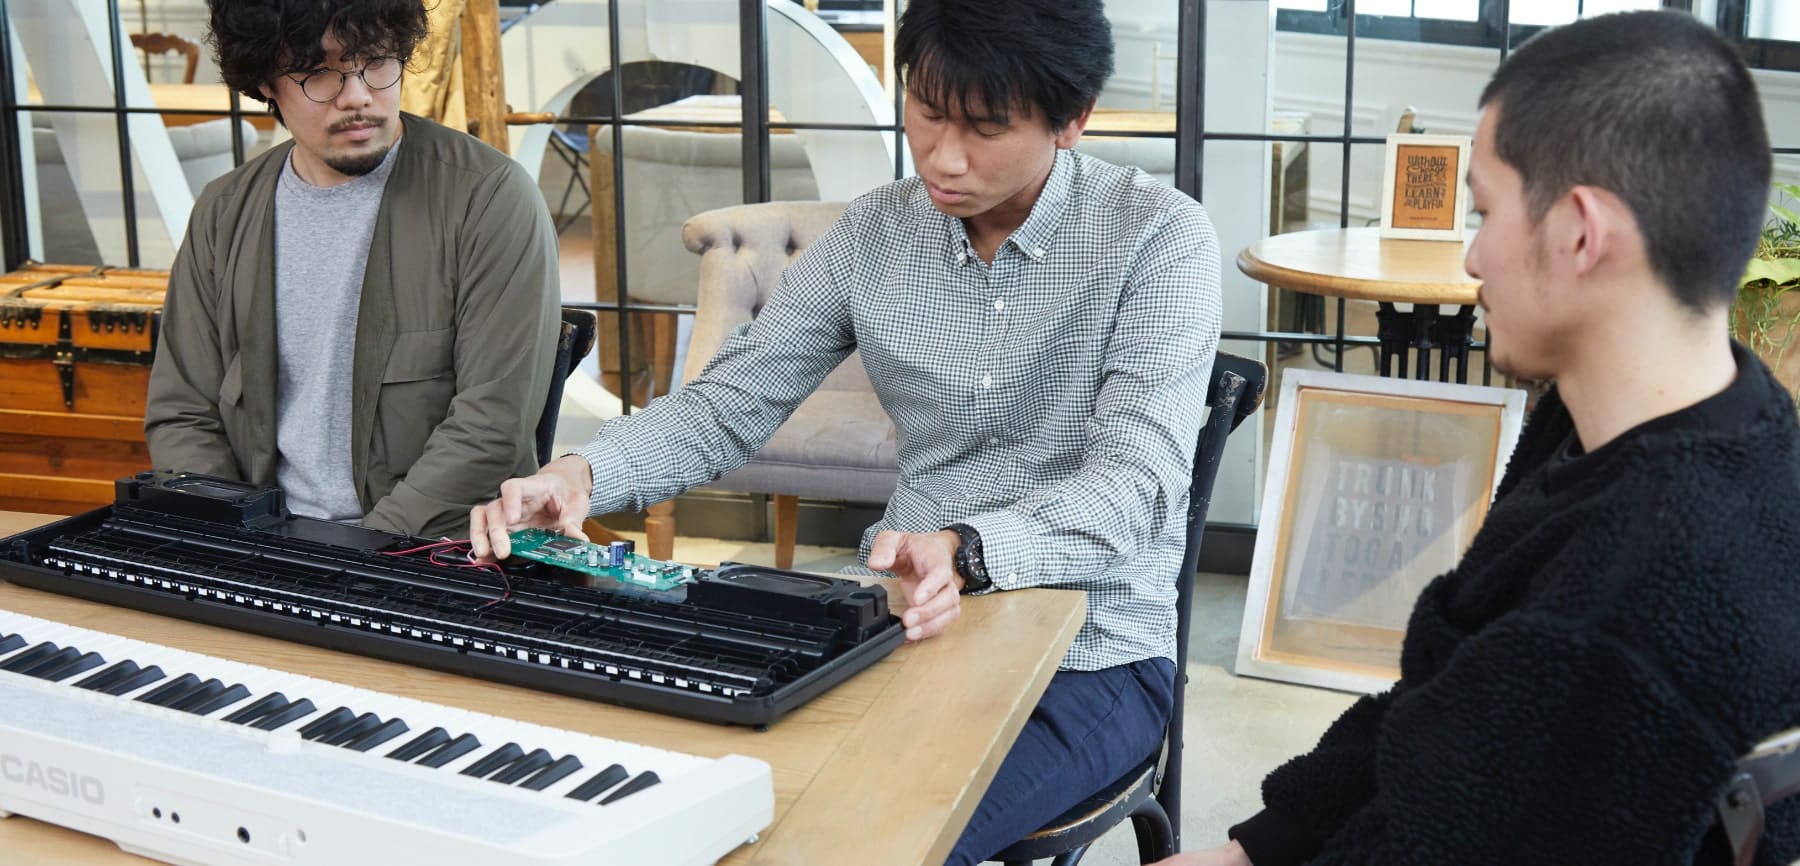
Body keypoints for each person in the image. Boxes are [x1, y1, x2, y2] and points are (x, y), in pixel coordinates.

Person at [467, 0, 1222, 861]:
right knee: (712, 800)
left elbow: (1136, 481)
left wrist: (968, 547)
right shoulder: (876, 233)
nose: (942, 155)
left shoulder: (1157, 238)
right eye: (927, 111)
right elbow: (728, 404)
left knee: (879, 840)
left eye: (984, 127)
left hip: (1093, 655)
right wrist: (582, 475)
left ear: (1071, 121)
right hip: (904, 625)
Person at [1157, 11, 1800, 866]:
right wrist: (1258, 849)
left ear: (1580, 232)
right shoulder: (1705, 415)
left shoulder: (1628, 603)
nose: (1469, 258)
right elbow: (1446, 694)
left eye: (1485, 211)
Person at [145, 0, 561, 538]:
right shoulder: (223, 211)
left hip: (424, 556)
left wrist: (353, 558)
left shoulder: (489, 198)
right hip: (262, 548)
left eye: (377, 61)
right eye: (319, 73)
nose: (359, 96)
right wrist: (234, 538)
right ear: (266, 80)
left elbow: (491, 429)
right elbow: (183, 412)